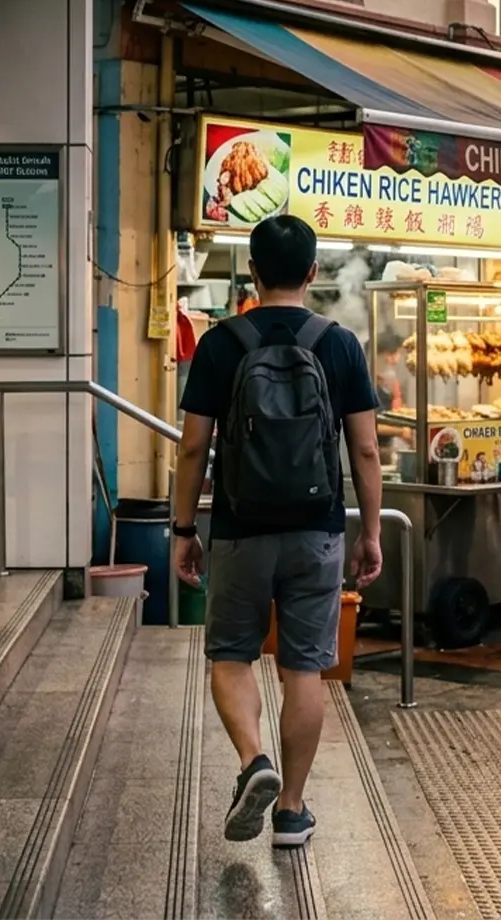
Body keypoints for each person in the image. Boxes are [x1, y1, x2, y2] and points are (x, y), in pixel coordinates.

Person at [172, 214, 383, 848]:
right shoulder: (340, 344)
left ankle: (252, 760)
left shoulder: (221, 343)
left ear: (253, 273)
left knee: (232, 655)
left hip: (239, 525)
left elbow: (192, 449)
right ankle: (291, 810)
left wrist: (184, 528)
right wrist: (369, 533)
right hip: (317, 527)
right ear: (313, 273)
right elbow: (366, 451)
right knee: (304, 668)